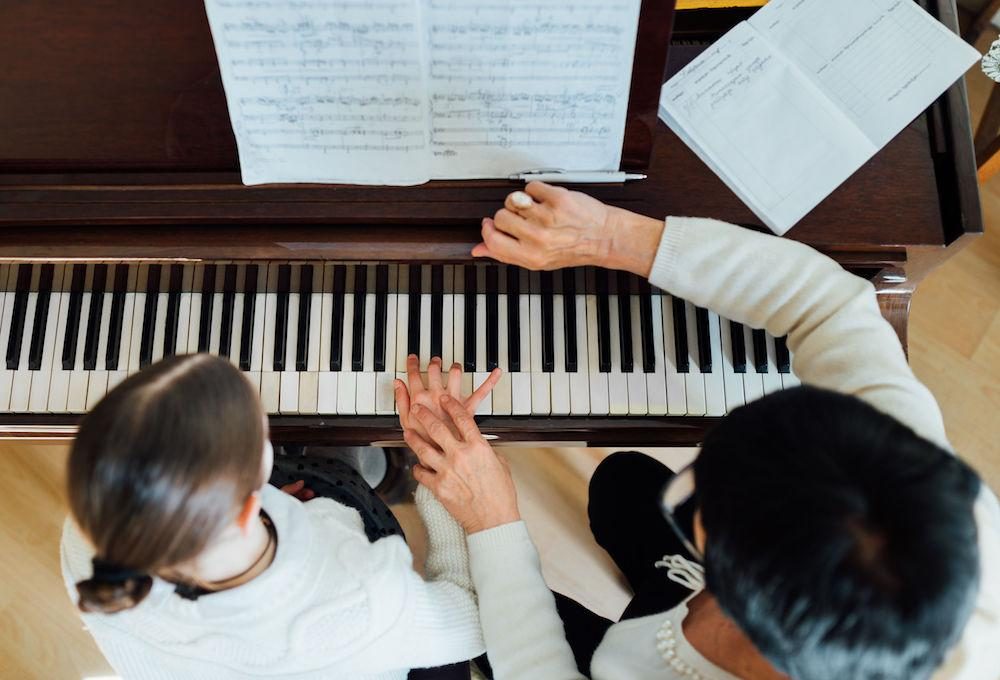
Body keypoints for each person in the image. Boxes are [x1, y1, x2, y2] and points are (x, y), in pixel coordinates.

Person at [397, 182, 1000, 680]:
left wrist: (491, 520)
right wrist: (614, 237)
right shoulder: (910, 484)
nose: (688, 488)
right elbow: (828, 306)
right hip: (703, 606)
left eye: (699, 497)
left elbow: (539, 668)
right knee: (622, 482)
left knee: (486, 611)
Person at [60, 352, 499, 680]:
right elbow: (473, 621)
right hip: (366, 648)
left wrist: (270, 521)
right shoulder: (366, 599)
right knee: (338, 469)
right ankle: (391, 475)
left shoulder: (91, 548)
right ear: (250, 503)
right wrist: (442, 482)